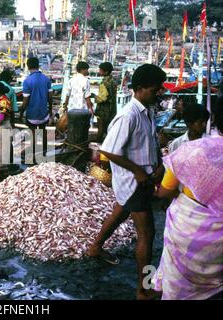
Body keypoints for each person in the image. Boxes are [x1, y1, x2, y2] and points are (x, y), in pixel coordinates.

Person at [87, 64, 167, 300]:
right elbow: (108, 151)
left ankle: (95, 247)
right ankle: (143, 288)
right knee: (148, 234)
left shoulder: (148, 110)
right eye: (155, 89)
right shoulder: (128, 115)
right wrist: (139, 172)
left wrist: (159, 163)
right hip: (135, 183)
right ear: (140, 89)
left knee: (120, 211)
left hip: (142, 180)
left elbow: (150, 143)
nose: (159, 93)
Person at [152, 103, 223, 300]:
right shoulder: (183, 146)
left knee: (178, 289)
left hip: (187, 230)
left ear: (215, 121)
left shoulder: (189, 151)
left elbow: (165, 192)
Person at [19, 57, 53, 163]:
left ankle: (31, 154)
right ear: (38, 65)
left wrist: (20, 113)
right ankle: (43, 153)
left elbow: (25, 101)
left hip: (32, 114)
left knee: (32, 133)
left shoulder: (27, 81)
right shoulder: (46, 79)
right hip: (44, 113)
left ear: (28, 66)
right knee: (43, 132)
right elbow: (50, 97)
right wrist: (50, 109)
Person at [93, 62, 117, 141]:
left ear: (106, 72)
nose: (99, 71)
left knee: (101, 127)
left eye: (100, 70)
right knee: (108, 128)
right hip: (112, 109)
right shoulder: (113, 81)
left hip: (103, 110)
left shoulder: (104, 83)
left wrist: (94, 96)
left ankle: (99, 142)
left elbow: (102, 98)